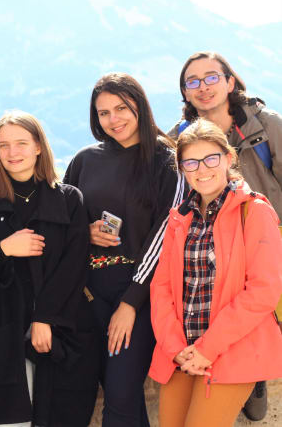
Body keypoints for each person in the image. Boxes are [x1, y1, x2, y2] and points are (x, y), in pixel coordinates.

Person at [0, 110, 98, 426]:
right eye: (3, 146)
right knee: (8, 420)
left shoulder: (69, 200)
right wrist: (4, 249)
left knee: (58, 414)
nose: (12, 153)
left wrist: (44, 318)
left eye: (21, 143)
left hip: (59, 330)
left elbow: (73, 268)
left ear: (38, 146)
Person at [63, 73, 185, 427]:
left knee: (119, 392)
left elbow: (165, 235)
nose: (113, 119)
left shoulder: (168, 161)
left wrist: (130, 302)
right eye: (103, 113)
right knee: (119, 396)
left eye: (121, 108)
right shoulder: (84, 160)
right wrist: (84, 233)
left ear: (139, 106)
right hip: (89, 294)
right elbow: (63, 222)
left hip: (141, 296)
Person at [169, 51, 282, 420]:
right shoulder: (178, 139)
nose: (203, 87)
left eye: (211, 77)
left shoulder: (266, 125)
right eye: (192, 81)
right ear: (185, 93)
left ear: (231, 81)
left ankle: (256, 374)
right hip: (217, 240)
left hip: (268, 232)